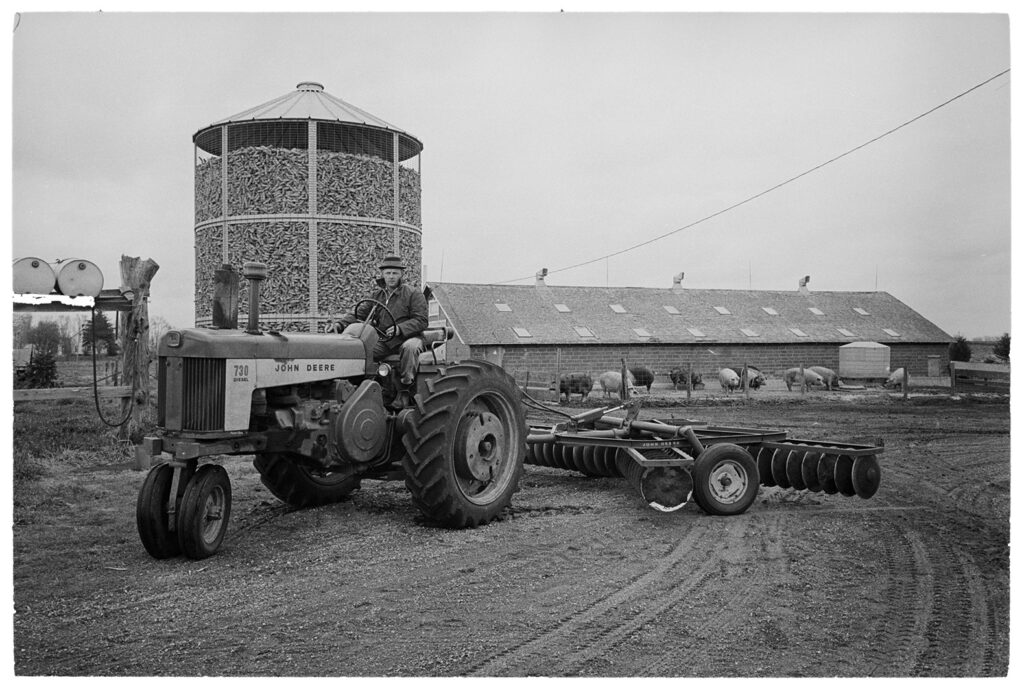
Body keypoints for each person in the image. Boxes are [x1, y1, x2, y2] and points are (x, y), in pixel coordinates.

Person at [330, 255, 428, 392]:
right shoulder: (378, 296)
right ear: (383, 274)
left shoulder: (413, 294)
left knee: (410, 348)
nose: (391, 276)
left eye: (395, 273)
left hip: (409, 337)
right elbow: (360, 313)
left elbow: (422, 320)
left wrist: (400, 329)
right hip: (386, 341)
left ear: (401, 274)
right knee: (363, 350)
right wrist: (340, 325)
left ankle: (406, 387)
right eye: (388, 273)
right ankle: (364, 386)